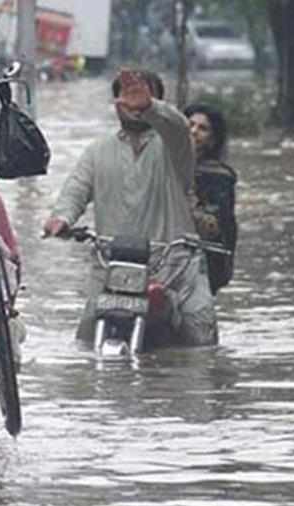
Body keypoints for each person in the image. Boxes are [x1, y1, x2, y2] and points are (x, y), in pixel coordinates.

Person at [43, 69, 217, 347]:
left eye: (144, 98)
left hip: (174, 267)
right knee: (85, 340)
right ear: (116, 103)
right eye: (128, 98)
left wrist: (150, 108)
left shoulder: (176, 147)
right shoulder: (97, 150)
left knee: (200, 340)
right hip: (113, 269)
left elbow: (177, 126)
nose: (134, 106)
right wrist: (61, 219)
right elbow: (75, 189)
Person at [184, 103, 237, 295]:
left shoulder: (218, 177)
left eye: (202, 128)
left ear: (212, 140)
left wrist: (189, 208)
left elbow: (220, 227)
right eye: (189, 125)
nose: (194, 131)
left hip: (198, 261)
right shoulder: (161, 166)